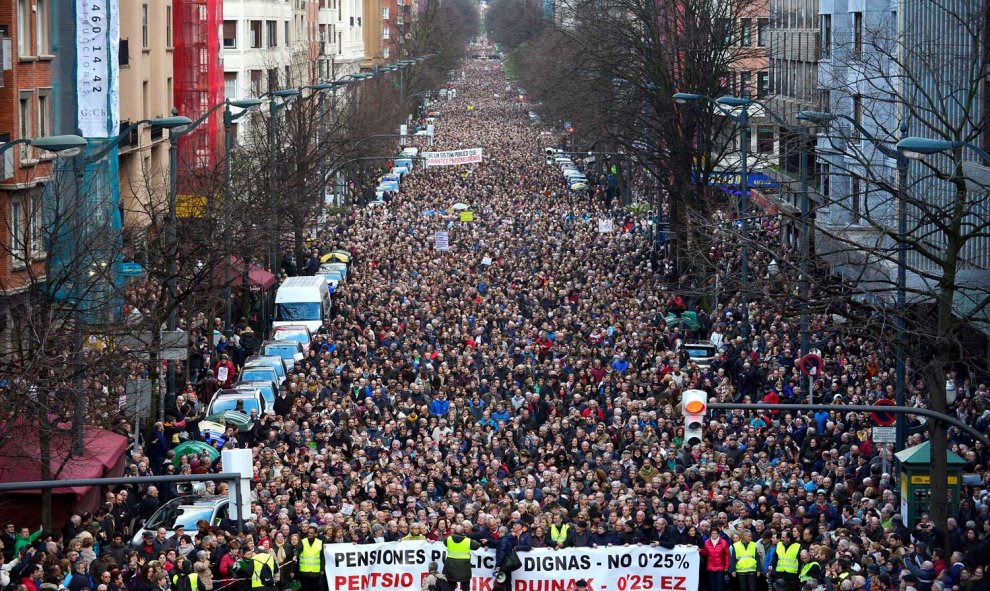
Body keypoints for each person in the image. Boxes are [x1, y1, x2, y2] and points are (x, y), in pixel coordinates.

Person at [444, 525, 481, 591]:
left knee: (450, 587)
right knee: (465, 588)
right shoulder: (468, 541)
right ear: (463, 532)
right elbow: (477, 546)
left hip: (450, 568)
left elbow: (445, 542)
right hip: (464, 568)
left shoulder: (448, 539)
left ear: (454, 531)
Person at [700, 522, 730, 591]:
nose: (713, 535)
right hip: (710, 567)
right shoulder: (707, 542)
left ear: (718, 534)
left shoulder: (723, 542)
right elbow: (705, 554)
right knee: (712, 585)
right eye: (712, 533)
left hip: (720, 567)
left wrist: (727, 567)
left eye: (715, 533)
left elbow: (727, 555)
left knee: (720, 585)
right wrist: (700, 551)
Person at [296, 526, 324, 591]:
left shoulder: (320, 542)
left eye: (311, 533)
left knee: (314, 589)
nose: (309, 534)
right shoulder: (303, 541)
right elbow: (298, 550)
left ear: (315, 534)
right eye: (308, 532)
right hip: (304, 571)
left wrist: (322, 569)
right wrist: (295, 555)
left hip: (315, 572)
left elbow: (322, 557)